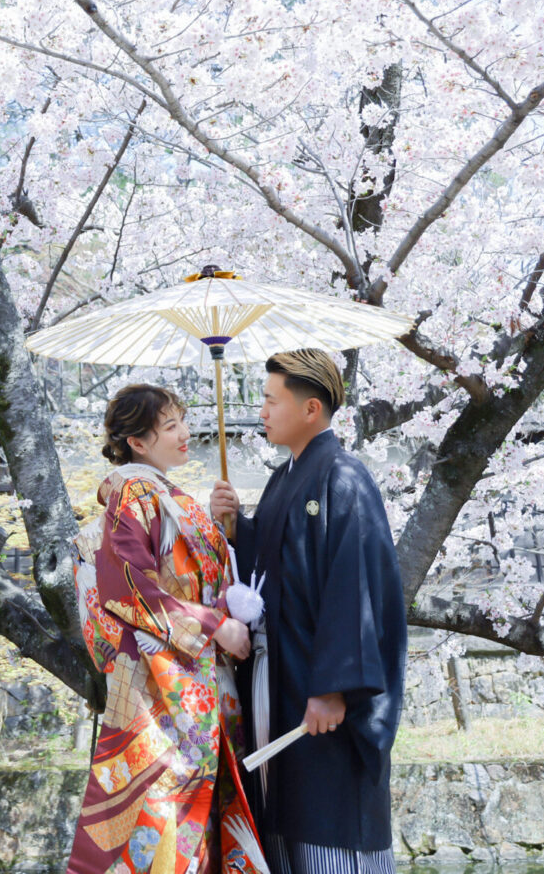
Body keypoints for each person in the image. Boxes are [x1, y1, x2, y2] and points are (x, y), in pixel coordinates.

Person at [209, 350, 406, 874]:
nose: (263, 410)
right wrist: (236, 530)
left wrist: (333, 687)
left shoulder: (343, 479)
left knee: (326, 822)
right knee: (284, 819)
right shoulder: (283, 480)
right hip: (279, 680)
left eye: (272, 400)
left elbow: (355, 589)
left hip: (321, 693)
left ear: (311, 408)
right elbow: (269, 572)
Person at [69, 384, 271, 874]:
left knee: (197, 816)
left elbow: (201, 577)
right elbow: (129, 587)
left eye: (183, 420)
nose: (185, 434)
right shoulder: (133, 491)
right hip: (169, 684)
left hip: (200, 677)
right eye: (171, 426)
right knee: (170, 816)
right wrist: (213, 625)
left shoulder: (167, 494)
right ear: (138, 443)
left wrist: (225, 528)